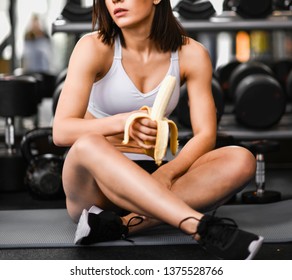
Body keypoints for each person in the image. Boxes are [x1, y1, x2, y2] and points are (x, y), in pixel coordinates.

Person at [53, 0, 263, 260]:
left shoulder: (191, 54)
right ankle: (198, 226)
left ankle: (116, 225)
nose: (115, 0)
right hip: (95, 185)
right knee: (88, 143)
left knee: (240, 159)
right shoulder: (93, 47)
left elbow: (206, 134)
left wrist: (167, 172)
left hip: (155, 173)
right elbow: (61, 131)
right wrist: (122, 121)